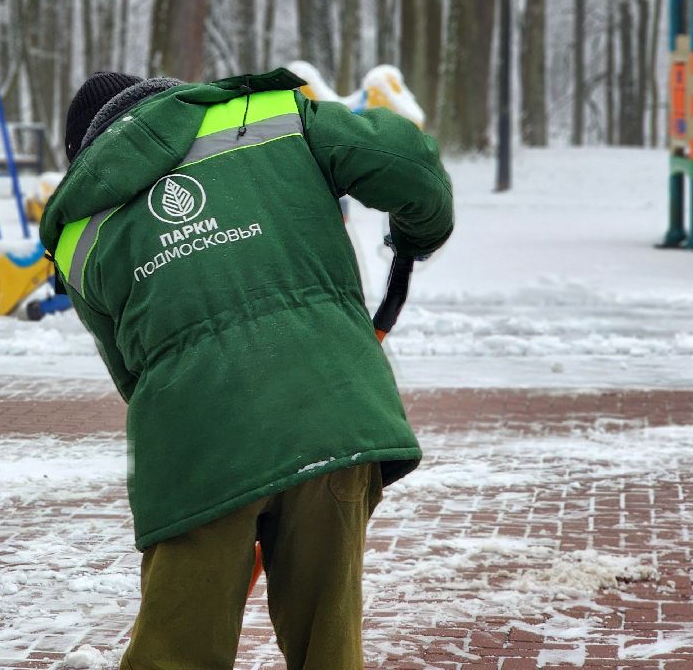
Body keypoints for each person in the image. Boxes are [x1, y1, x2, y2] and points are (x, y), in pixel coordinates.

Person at [39, 68, 454, 670]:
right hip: (333, 419)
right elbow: (408, 164)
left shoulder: (78, 231)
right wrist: (421, 233)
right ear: (169, 96)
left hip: (199, 454)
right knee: (328, 651)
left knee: (174, 654)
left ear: (83, 153)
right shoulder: (273, 120)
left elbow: (132, 376)